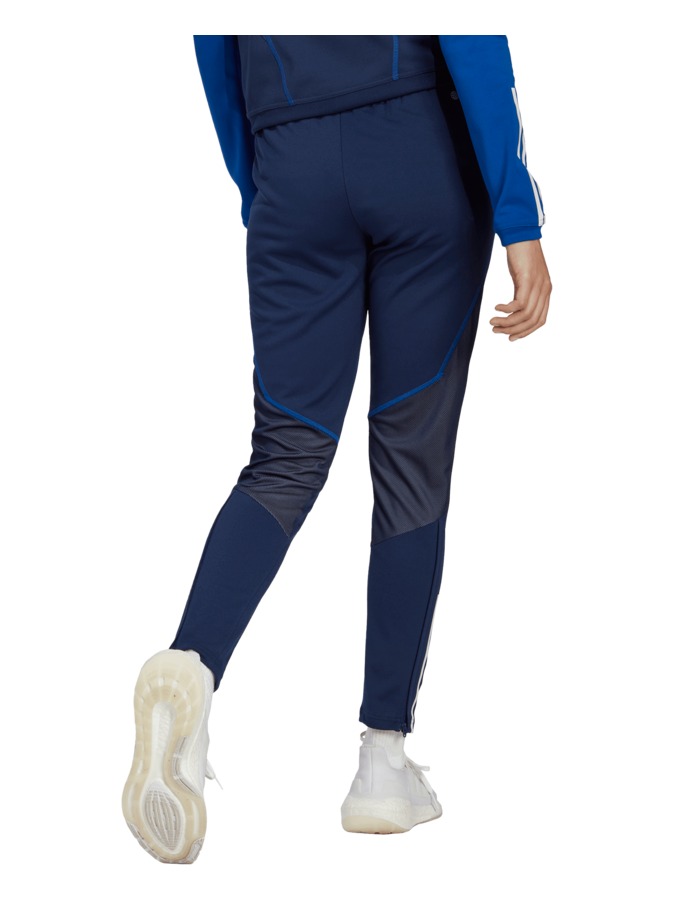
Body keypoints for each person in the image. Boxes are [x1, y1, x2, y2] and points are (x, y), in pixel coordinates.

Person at [122, 34, 552, 863]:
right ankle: (382, 764)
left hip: (289, 161)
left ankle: (190, 665)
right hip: (419, 153)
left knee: (284, 454)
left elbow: (214, 48)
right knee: (410, 463)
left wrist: (263, 181)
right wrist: (518, 216)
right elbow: (469, 40)